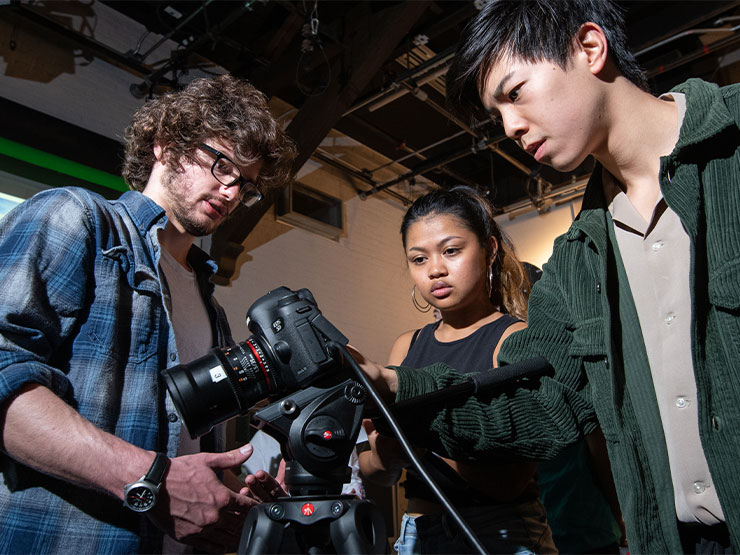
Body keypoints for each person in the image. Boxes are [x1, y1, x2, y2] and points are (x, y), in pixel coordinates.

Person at [355, 0, 740, 553]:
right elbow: (541, 408)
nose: (509, 127)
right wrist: (394, 389)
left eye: (515, 93)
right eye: (497, 114)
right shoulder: (576, 264)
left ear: (589, 48)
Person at [0, 74, 296, 553]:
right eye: (220, 164)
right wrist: (149, 480)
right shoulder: (75, 218)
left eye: (245, 183)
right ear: (165, 146)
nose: (232, 191)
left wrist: (231, 495)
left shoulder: (212, 308)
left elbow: (185, 454)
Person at [358, 186, 556, 554]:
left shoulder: (515, 337)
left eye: (451, 251)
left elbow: (511, 482)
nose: (435, 270)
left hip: (500, 532)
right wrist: (385, 455)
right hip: (416, 531)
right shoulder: (407, 344)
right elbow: (374, 470)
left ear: (490, 250)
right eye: (418, 259)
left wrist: (418, 441)